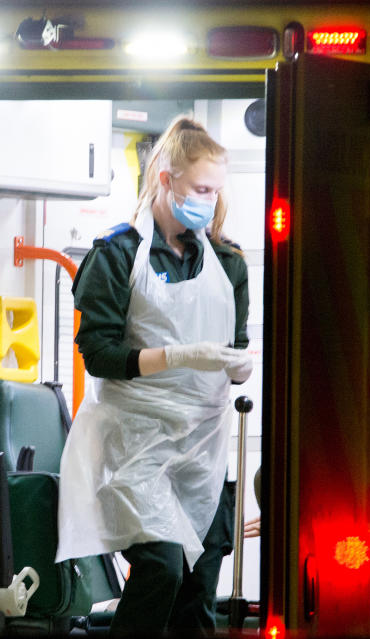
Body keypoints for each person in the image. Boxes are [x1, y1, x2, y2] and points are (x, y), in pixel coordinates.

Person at [56, 117, 252, 636]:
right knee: (162, 567)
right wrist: (174, 356)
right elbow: (97, 354)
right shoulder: (117, 255)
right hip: (136, 445)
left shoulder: (228, 264)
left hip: (204, 450)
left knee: (197, 593)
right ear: (165, 179)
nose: (209, 200)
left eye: (215, 191)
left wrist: (240, 365)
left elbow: (232, 353)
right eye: (200, 188)